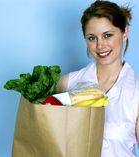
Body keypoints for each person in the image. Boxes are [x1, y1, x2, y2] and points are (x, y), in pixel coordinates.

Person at [57, 0, 139, 156]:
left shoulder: (136, 95)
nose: (100, 46)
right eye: (92, 38)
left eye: (107, 35)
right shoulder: (67, 83)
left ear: (125, 33)